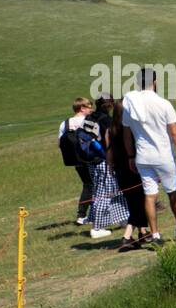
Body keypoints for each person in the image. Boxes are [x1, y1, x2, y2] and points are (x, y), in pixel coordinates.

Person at [122, 66, 176, 246]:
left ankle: (155, 235)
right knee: (173, 191)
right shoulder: (163, 103)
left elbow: (127, 133)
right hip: (163, 155)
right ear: (155, 81)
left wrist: (130, 156)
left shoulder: (130, 105)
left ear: (138, 82)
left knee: (150, 195)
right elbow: (175, 133)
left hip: (142, 156)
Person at [81, 98, 129, 239]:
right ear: (110, 105)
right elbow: (110, 141)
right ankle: (97, 227)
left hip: (91, 161)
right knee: (105, 193)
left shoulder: (89, 117)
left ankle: (123, 219)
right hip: (103, 161)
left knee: (111, 190)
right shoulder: (105, 120)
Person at [109, 96, 149, 251]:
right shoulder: (131, 129)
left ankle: (143, 233)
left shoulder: (110, 130)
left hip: (120, 171)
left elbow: (109, 154)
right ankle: (126, 237)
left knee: (134, 202)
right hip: (134, 168)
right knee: (140, 203)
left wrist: (111, 167)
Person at [58, 97, 94, 224]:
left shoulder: (65, 123)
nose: (92, 108)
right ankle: (83, 215)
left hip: (76, 160)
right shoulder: (89, 120)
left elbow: (60, 143)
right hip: (92, 158)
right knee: (93, 185)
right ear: (82, 108)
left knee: (87, 184)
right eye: (89, 106)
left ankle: (86, 214)